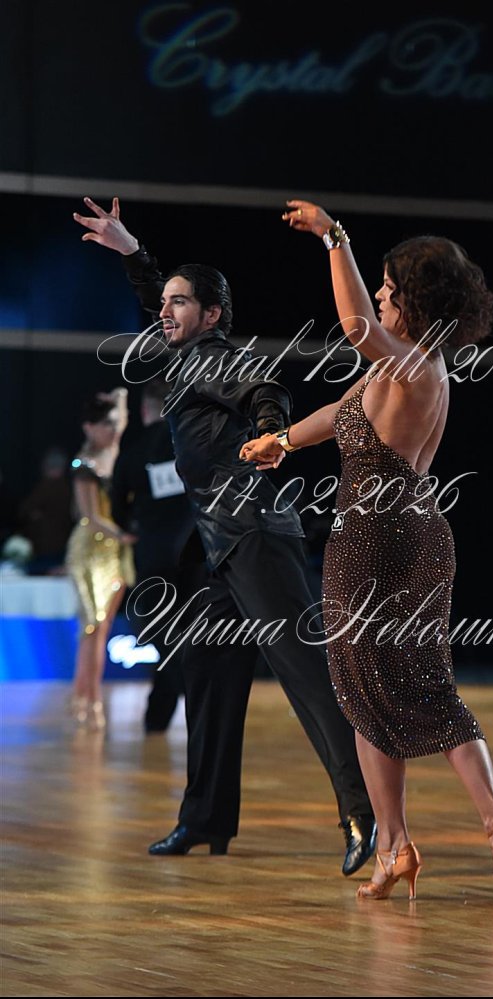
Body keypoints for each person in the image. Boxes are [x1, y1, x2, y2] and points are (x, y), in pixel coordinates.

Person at [240, 200, 493, 904]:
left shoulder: (411, 364)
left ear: (416, 302)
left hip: (373, 540)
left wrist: (333, 237)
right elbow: (339, 413)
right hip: (420, 534)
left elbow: (353, 327)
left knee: (366, 694)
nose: (377, 294)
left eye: (389, 287)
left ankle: (403, 842)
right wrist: (283, 441)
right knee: (422, 689)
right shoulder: (404, 371)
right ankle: (480, 828)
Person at [72, 197, 376, 873]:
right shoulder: (184, 358)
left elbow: (265, 388)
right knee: (206, 672)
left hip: (254, 535)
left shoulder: (211, 357)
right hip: (218, 549)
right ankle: (205, 817)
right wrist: (131, 250)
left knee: (305, 675)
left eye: (181, 303)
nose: (166, 310)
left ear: (211, 315)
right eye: (165, 302)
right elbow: (156, 297)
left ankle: (362, 810)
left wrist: (270, 432)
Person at [111, 377, 196, 732]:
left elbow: (117, 507)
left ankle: (177, 699)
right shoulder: (190, 446)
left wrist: (132, 527)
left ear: (145, 409)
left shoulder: (133, 452)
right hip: (196, 554)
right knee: (183, 633)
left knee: (158, 632)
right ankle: (162, 713)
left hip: (154, 556)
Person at [65, 389, 137, 730]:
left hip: (114, 552)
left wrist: (120, 396)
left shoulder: (113, 454)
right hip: (90, 550)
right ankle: (87, 698)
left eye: (113, 424)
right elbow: (90, 516)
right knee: (92, 625)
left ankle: (87, 696)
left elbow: (121, 422)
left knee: (103, 627)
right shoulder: (84, 465)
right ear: (88, 428)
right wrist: (124, 535)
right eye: (104, 424)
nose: (111, 429)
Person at [19, 446, 73, 575]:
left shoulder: (46, 487)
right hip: (65, 544)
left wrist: (37, 516)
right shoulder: (69, 488)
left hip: (46, 546)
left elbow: (25, 510)